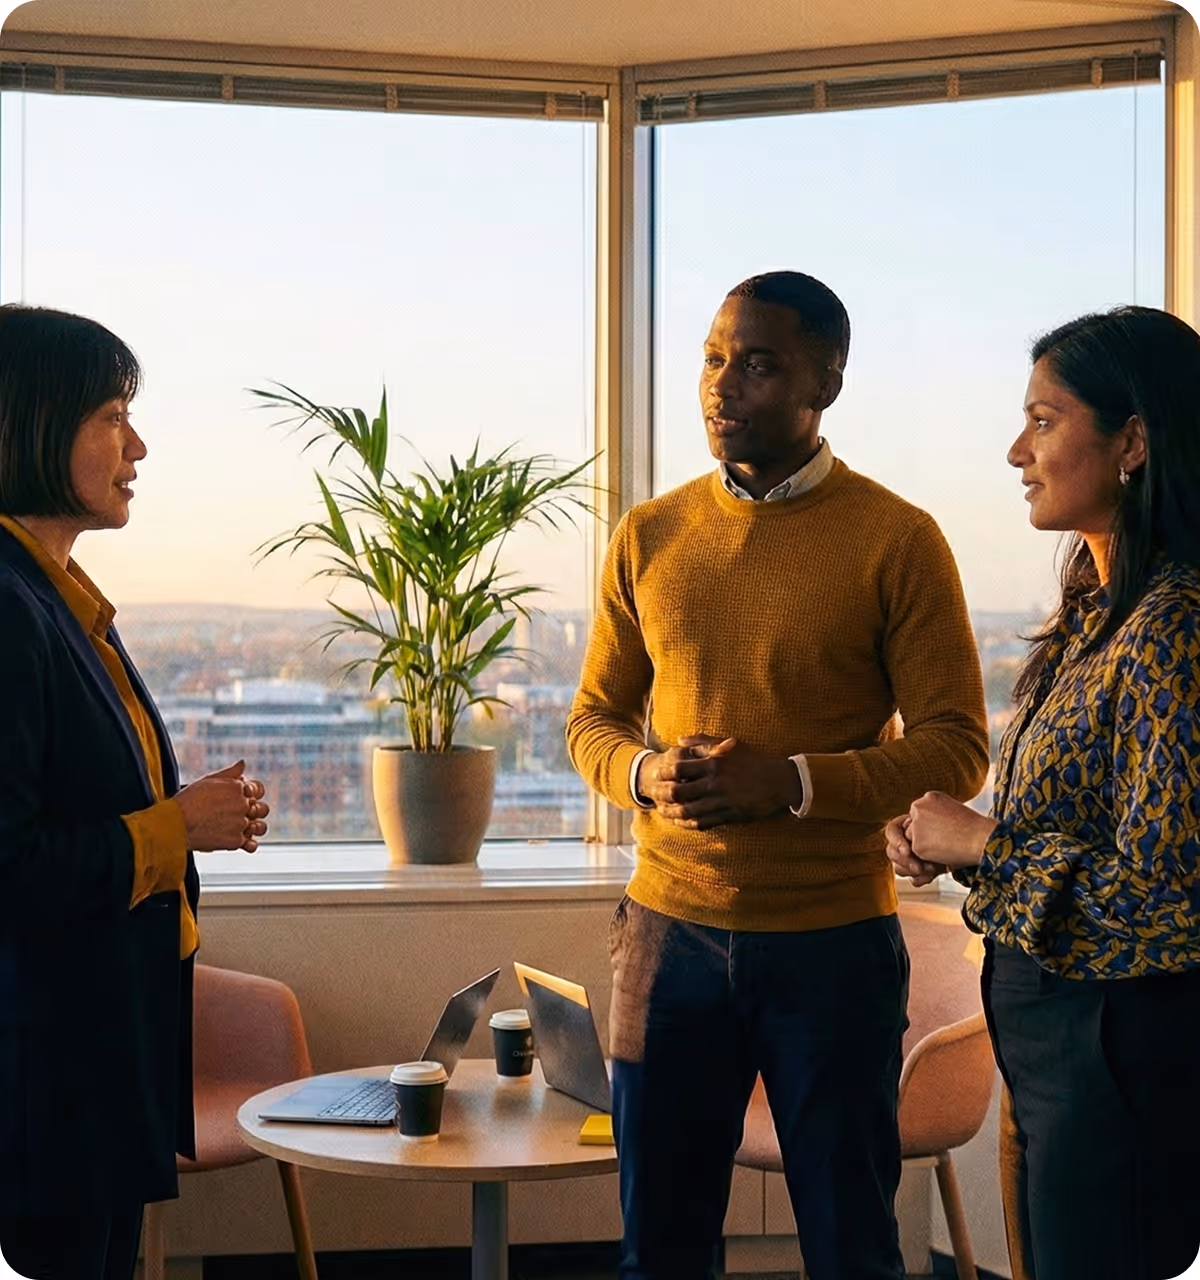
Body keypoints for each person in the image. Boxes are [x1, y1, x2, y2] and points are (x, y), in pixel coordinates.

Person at [567, 271, 989, 1280]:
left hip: (832, 947)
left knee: (851, 1244)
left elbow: (955, 744)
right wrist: (644, 775)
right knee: (656, 1247)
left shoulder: (898, 537)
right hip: (662, 940)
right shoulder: (650, 534)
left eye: (758, 364)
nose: (724, 386)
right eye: (714, 360)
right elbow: (592, 720)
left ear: (825, 383)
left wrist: (791, 781)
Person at [885, 306, 1200, 1280]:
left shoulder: (1174, 631)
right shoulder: (1095, 621)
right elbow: (1078, 831)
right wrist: (950, 839)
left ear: (1134, 440)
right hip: (1049, 1049)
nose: (1019, 449)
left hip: (1114, 1056)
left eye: (1045, 419)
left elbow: (1170, 898)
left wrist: (985, 845)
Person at [0, 305, 271, 1280]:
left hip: (100, 1055)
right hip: (50, 1069)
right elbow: (12, 867)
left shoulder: (60, 601)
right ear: (31, 420)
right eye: (114, 413)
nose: (138, 445)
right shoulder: (9, 607)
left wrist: (186, 815)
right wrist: (177, 825)